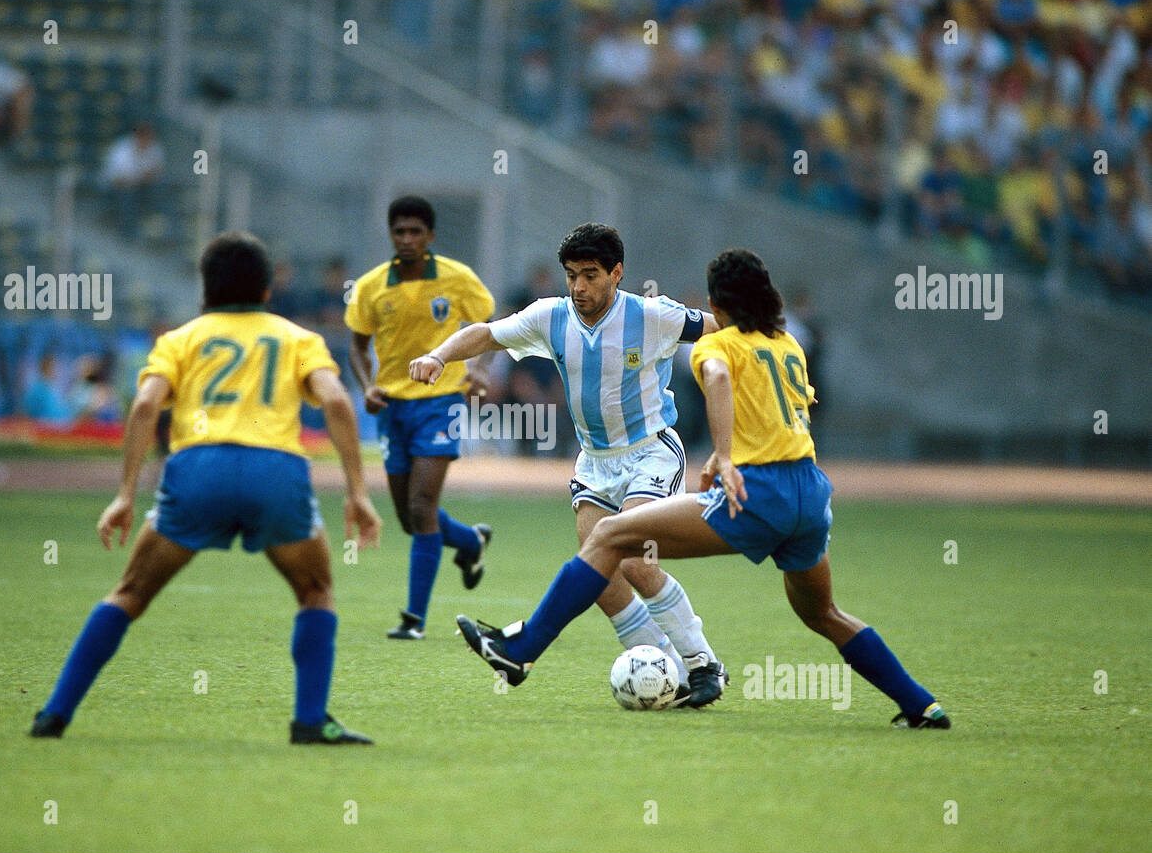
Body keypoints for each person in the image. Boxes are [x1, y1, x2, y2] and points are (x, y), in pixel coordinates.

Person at [454, 249, 950, 729]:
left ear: (716, 305)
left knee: (609, 538)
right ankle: (921, 704)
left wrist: (727, 456)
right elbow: (782, 411)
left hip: (759, 494)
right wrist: (727, 454)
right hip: (811, 495)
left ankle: (521, 652)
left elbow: (715, 377)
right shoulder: (788, 346)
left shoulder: (717, 346)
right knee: (824, 613)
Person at [30, 232, 382, 744]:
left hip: (198, 467)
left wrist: (126, 494)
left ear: (206, 289)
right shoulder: (297, 339)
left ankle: (54, 714)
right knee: (315, 590)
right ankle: (309, 722)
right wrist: (357, 492)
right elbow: (335, 402)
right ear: (266, 291)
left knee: (130, 592)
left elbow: (147, 406)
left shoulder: (180, 340)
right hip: (275, 472)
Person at [409, 223, 728, 707]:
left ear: (617, 274)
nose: (579, 287)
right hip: (595, 464)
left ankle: (705, 665)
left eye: (591, 275)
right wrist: (438, 355)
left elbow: (723, 329)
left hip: (651, 451)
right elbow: (485, 333)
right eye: (572, 275)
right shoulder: (549, 316)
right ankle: (668, 669)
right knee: (600, 575)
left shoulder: (652, 315)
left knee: (636, 560)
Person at [345, 196, 495, 641]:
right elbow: (356, 345)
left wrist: (479, 372)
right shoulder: (372, 286)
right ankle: (470, 541)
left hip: (442, 400)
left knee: (421, 507)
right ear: (391, 235)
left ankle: (414, 620)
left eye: (415, 232)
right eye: (399, 232)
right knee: (410, 518)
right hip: (392, 406)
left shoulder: (457, 279)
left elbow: (489, 328)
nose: (407, 239)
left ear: (430, 236)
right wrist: (366, 385)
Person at [101, 121, 164, 240]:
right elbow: (117, 179)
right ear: (138, 136)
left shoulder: (154, 147)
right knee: (128, 195)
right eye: (145, 138)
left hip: (140, 184)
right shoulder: (121, 150)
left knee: (160, 187)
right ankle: (128, 232)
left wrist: (139, 179)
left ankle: (157, 224)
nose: (147, 141)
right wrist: (137, 179)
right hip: (115, 186)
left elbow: (156, 172)